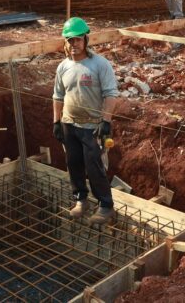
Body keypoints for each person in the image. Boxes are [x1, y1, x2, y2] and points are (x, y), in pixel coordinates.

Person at [52, 17, 119, 225]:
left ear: (86, 40)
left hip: (92, 126)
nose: (74, 44)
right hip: (69, 123)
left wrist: (106, 121)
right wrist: (56, 122)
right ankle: (81, 200)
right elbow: (57, 96)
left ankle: (106, 205)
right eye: (70, 40)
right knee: (73, 164)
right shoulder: (63, 67)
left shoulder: (99, 64)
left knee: (94, 166)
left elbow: (111, 94)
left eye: (78, 40)